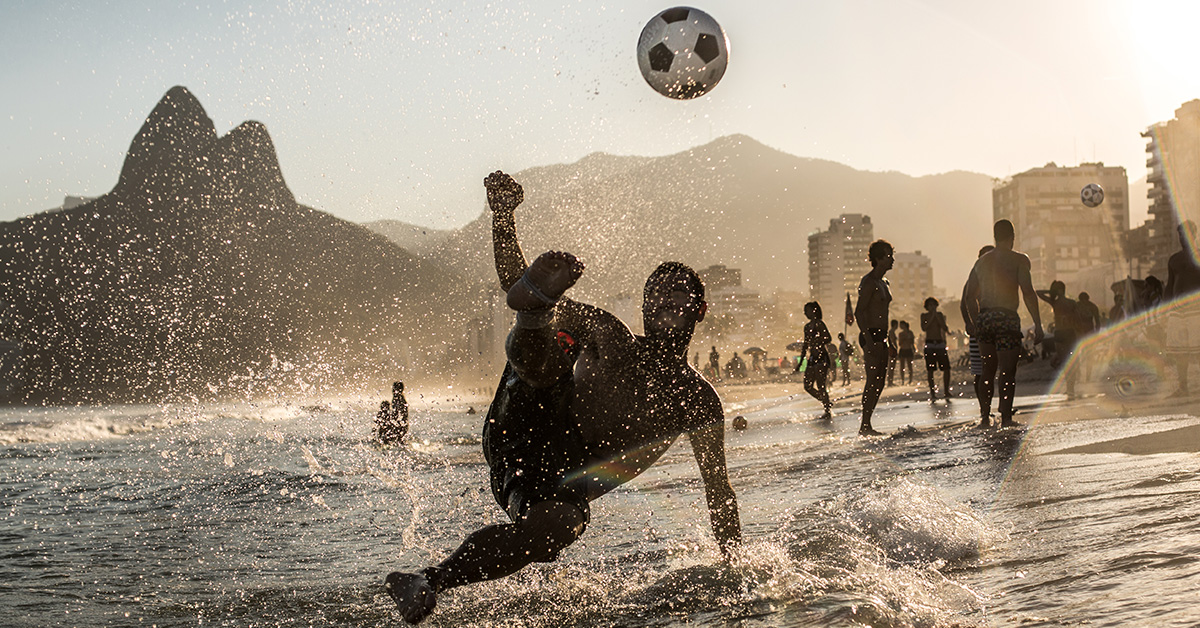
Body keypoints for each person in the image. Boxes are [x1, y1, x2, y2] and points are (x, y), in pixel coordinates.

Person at [384, 171, 740, 624]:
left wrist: (736, 572)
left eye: (679, 296)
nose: (666, 301)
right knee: (549, 346)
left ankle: (425, 581)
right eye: (656, 296)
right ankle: (535, 317)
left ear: (700, 310)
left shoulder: (698, 401)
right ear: (644, 308)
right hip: (523, 422)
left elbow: (719, 492)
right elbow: (514, 283)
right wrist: (503, 217)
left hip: (561, 474)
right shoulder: (612, 335)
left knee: (554, 531)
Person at [962, 220, 1044, 428]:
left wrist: (975, 322)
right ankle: (1006, 418)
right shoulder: (1019, 259)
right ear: (1012, 236)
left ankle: (984, 417)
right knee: (1007, 371)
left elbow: (970, 297)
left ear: (995, 236)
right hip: (1006, 318)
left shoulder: (981, 262)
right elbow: (1027, 292)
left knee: (987, 371)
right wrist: (1038, 323)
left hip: (986, 319)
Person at [854, 239, 894, 436]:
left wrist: (889, 340)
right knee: (872, 381)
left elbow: (885, 313)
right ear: (878, 259)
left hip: (882, 336)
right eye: (888, 256)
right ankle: (865, 425)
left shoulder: (884, 282)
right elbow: (859, 312)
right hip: (870, 335)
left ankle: (867, 423)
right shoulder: (868, 282)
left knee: (880, 383)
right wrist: (869, 340)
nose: (892, 260)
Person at [1164, 221, 1200, 396]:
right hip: (1177, 310)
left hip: (1197, 309)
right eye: (1180, 235)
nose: (1182, 238)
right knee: (1180, 352)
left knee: (1198, 349)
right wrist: (1164, 310)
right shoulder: (1174, 259)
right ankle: (1183, 387)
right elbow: (1170, 286)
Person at [960, 245, 994, 420]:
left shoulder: (996, 278)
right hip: (978, 331)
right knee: (980, 371)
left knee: (993, 369)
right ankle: (984, 410)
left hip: (994, 329)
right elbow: (964, 303)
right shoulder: (974, 279)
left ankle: (994, 409)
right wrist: (970, 323)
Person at [1036, 280, 1080, 397]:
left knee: (1068, 361)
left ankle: (1071, 388)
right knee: (1066, 361)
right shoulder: (1057, 302)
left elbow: (1078, 318)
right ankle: (1070, 387)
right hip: (1064, 333)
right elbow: (1038, 292)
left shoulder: (1063, 303)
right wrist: (1051, 291)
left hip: (1066, 333)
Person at [799, 301, 833, 420]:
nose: (805, 313)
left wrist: (818, 341)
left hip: (821, 357)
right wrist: (800, 363)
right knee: (807, 385)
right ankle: (825, 401)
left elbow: (828, 338)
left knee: (821, 385)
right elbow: (805, 345)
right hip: (812, 358)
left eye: (806, 310)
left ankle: (827, 410)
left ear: (813, 311)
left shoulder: (819, 324)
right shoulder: (807, 327)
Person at [921, 297, 952, 402]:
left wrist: (937, 317)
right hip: (929, 344)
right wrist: (932, 317)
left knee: (946, 368)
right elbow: (924, 328)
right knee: (931, 370)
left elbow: (944, 327)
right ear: (927, 306)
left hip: (939, 343)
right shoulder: (924, 316)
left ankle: (946, 391)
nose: (932, 307)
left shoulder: (940, 315)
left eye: (933, 305)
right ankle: (933, 393)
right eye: (930, 305)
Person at [896, 321, 915, 385]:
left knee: (910, 366)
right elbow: (900, 343)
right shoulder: (900, 334)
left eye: (901, 325)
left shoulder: (910, 333)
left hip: (909, 349)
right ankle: (902, 380)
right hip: (903, 350)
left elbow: (912, 342)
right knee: (902, 366)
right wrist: (904, 339)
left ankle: (910, 380)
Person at [886, 318, 899, 386]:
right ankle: (890, 381)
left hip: (893, 350)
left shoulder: (891, 332)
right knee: (891, 367)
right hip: (892, 351)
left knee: (892, 367)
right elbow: (892, 342)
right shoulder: (891, 332)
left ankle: (890, 381)